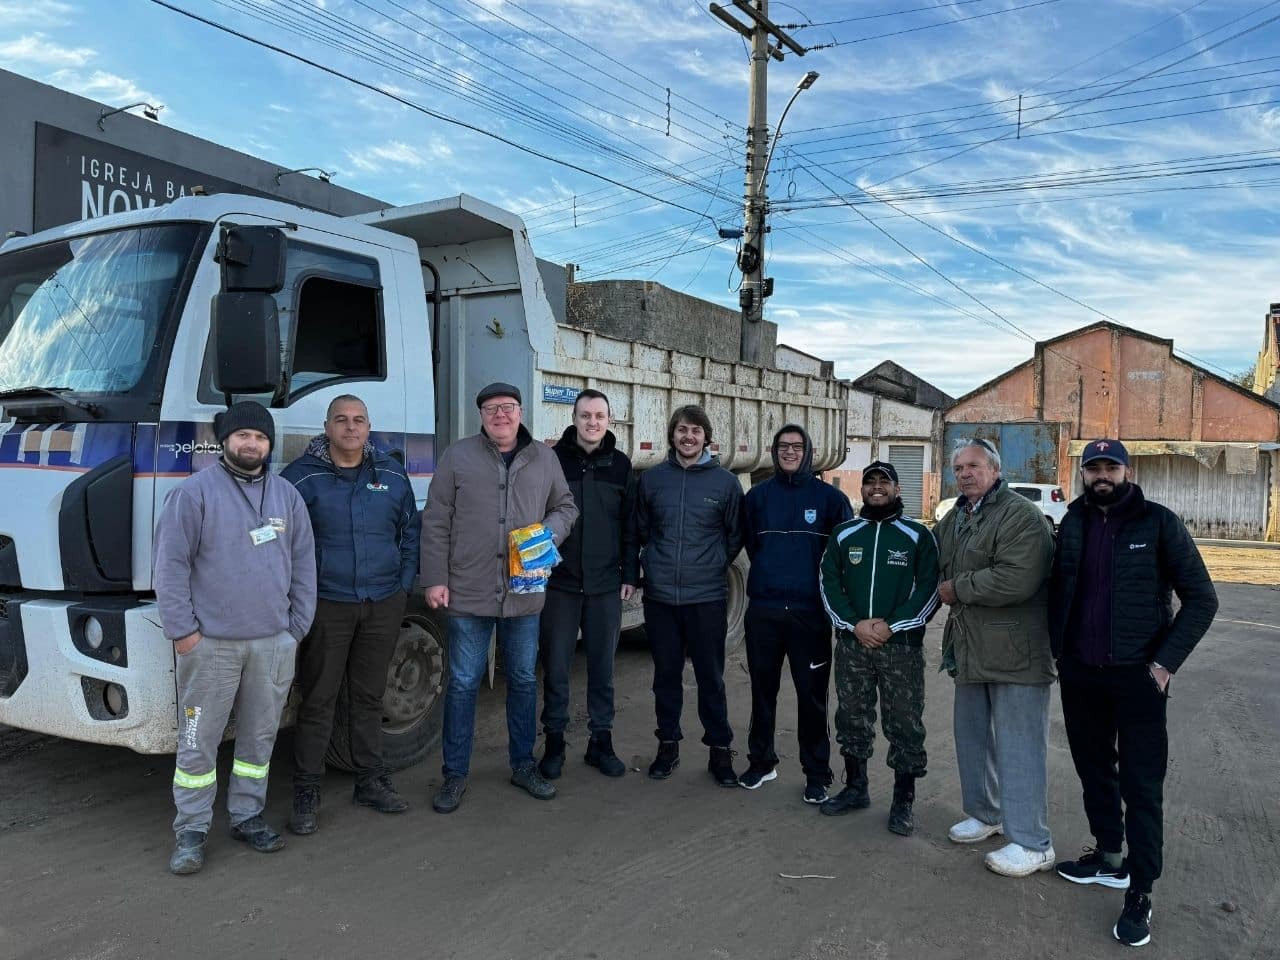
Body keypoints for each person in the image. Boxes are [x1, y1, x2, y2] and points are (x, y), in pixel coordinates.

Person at [1049, 439, 1218, 948]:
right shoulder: (1071, 522)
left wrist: (1164, 664)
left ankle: (1140, 890)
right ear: (1083, 473)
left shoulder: (1159, 523)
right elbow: (1056, 586)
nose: (1102, 474)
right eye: (1093, 467)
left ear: (1127, 470)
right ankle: (1109, 857)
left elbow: (1202, 599)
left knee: (1142, 787)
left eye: (1111, 467)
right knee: (1094, 769)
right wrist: (1060, 650)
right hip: (1082, 674)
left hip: (1138, 679)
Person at [154, 401, 316, 875]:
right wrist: (184, 634)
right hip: (211, 646)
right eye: (243, 435)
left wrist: (295, 630)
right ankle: (191, 828)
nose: (252, 444)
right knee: (197, 739)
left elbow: (305, 564)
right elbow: (170, 567)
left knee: (259, 736)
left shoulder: (287, 496)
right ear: (225, 441)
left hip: (273, 644)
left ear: (269, 444)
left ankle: (247, 816)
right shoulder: (194, 494)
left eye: (260, 437)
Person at [421, 382, 578, 813]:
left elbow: (566, 507)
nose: (500, 415)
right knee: (464, 683)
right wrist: (434, 577)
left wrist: (547, 534)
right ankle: (454, 774)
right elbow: (436, 519)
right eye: (491, 409)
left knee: (524, 680)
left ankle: (523, 764)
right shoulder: (458, 456)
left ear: (521, 411)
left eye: (507, 407)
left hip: (523, 592)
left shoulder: (544, 459)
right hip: (469, 591)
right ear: (482, 416)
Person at [281, 395, 421, 834]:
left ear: (368, 426)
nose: (350, 428)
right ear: (327, 426)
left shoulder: (392, 474)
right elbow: (280, 543)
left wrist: (402, 587)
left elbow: (410, 533)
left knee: (368, 695)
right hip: (328, 605)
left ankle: (370, 780)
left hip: (382, 603)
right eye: (341, 420)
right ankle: (307, 789)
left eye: (358, 420)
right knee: (318, 698)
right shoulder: (300, 479)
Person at [935, 438, 1056, 877]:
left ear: (995, 470)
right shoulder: (959, 516)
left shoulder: (1020, 515)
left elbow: (1018, 578)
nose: (965, 473)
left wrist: (958, 589)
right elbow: (930, 556)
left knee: (1019, 746)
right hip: (970, 647)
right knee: (972, 737)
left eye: (973, 466)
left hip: (1016, 651)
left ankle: (1032, 841)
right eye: (959, 467)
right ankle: (986, 815)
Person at [818, 461, 939, 835]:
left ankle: (903, 801)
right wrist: (854, 625)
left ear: (897, 489)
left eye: (883, 482)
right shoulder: (844, 533)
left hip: (900, 648)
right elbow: (828, 583)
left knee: (904, 723)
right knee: (852, 717)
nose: (875, 487)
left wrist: (891, 626)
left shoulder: (917, 535)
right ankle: (856, 788)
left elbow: (929, 589)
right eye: (869, 482)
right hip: (853, 645)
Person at [738, 424, 852, 802]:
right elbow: (754, 547)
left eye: (796, 446)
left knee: (812, 696)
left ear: (808, 451)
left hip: (810, 615)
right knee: (762, 692)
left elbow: (842, 557)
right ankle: (761, 762)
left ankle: (817, 773)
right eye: (782, 446)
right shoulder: (757, 497)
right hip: (765, 613)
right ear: (773, 451)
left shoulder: (830, 500)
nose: (789, 452)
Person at [635, 404, 743, 786]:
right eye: (682, 430)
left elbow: (734, 536)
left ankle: (720, 751)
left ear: (706, 438)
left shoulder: (726, 484)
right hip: (661, 597)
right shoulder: (652, 480)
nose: (688, 437)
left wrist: (712, 564)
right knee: (665, 677)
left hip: (706, 597)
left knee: (710, 677)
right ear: (672, 435)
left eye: (696, 431)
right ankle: (668, 747)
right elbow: (642, 530)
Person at [538, 389, 639, 781]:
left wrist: (630, 573)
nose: (592, 422)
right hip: (560, 584)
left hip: (604, 586)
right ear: (574, 418)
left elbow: (631, 525)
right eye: (585, 416)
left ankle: (601, 742)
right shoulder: (553, 461)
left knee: (602, 669)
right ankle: (555, 744)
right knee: (557, 668)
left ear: (609, 421)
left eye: (599, 416)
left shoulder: (621, 465)